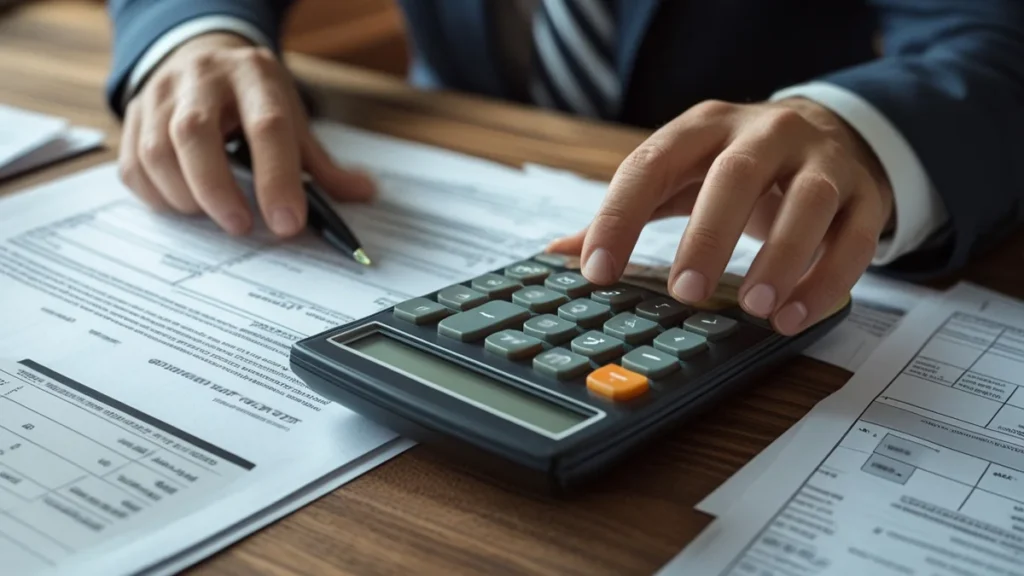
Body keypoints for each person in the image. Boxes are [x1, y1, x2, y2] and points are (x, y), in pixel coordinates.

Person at [104, 0, 1024, 336]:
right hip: (460, 155)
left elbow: (990, 35)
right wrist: (195, 31)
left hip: (760, 204)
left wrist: (856, 123)